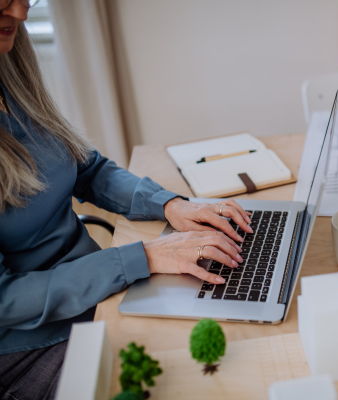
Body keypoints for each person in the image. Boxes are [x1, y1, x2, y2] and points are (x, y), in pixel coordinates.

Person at [0, 1, 252, 399]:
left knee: (236, 337)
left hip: (96, 287)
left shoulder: (10, 66)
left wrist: (171, 205)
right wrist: (147, 256)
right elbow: (5, 300)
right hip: (32, 342)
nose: (21, 13)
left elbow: (87, 169)